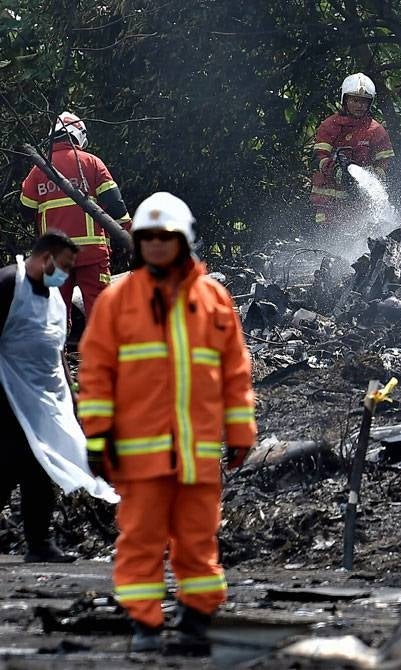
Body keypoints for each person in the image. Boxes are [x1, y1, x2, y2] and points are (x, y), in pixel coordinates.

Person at [78, 192, 256, 653]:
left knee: (198, 540)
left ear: (184, 240)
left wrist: (240, 433)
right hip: (140, 455)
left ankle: (196, 621)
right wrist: (96, 438)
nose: (157, 245)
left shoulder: (212, 299)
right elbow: (97, 373)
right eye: (148, 237)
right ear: (138, 243)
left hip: (197, 453)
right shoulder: (118, 301)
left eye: (166, 236)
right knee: (140, 539)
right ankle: (145, 624)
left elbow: (235, 372)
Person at [0, 231, 118, 563]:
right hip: (8, 393)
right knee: (9, 466)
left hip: (44, 399)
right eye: (64, 266)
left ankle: (39, 543)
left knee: (40, 466)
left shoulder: (54, 296)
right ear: (46, 258)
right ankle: (38, 542)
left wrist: (72, 396)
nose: (66, 274)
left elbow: (58, 351)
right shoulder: (10, 284)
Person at [20, 111, 132, 324]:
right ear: (78, 135)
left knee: (55, 315)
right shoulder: (92, 162)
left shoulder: (38, 170)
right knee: (100, 311)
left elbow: (26, 211)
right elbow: (115, 204)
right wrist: (128, 232)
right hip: (92, 253)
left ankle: (57, 357)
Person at [310, 73, 395, 230]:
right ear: (345, 100)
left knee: (359, 238)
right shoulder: (330, 125)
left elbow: (385, 161)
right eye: (355, 100)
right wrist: (336, 171)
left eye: (364, 102)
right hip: (328, 204)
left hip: (358, 202)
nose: (359, 105)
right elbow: (319, 157)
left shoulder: (375, 129)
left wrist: (374, 174)